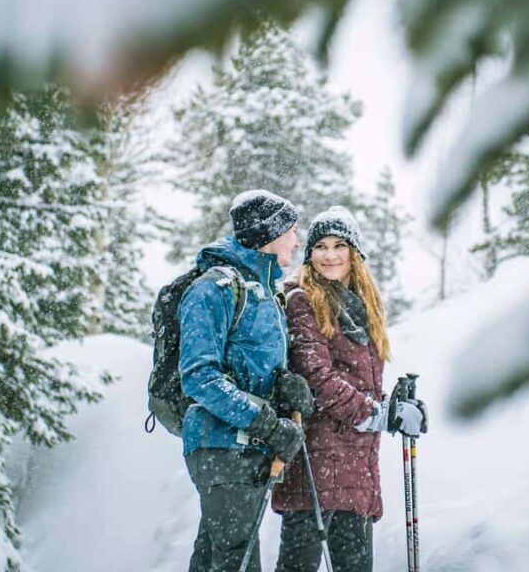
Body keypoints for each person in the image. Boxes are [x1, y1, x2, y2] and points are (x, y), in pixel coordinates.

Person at [272, 205, 428, 572]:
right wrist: (378, 415)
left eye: (338, 245)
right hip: (314, 462)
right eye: (320, 246)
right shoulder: (301, 300)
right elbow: (317, 378)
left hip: (356, 468)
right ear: (309, 253)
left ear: (354, 253)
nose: (329, 255)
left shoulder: (362, 306)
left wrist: (396, 407)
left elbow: (358, 383)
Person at [179, 189, 316, 572]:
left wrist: (285, 384)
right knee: (237, 561)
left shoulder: (265, 294)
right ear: (270, 234)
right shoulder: (214, 289)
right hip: (221, 447)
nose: (297, 239)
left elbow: (249, 366)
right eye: (291, 230)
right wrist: (267, 423)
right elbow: (200, 377)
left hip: (244, 452)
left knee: (214, 558)